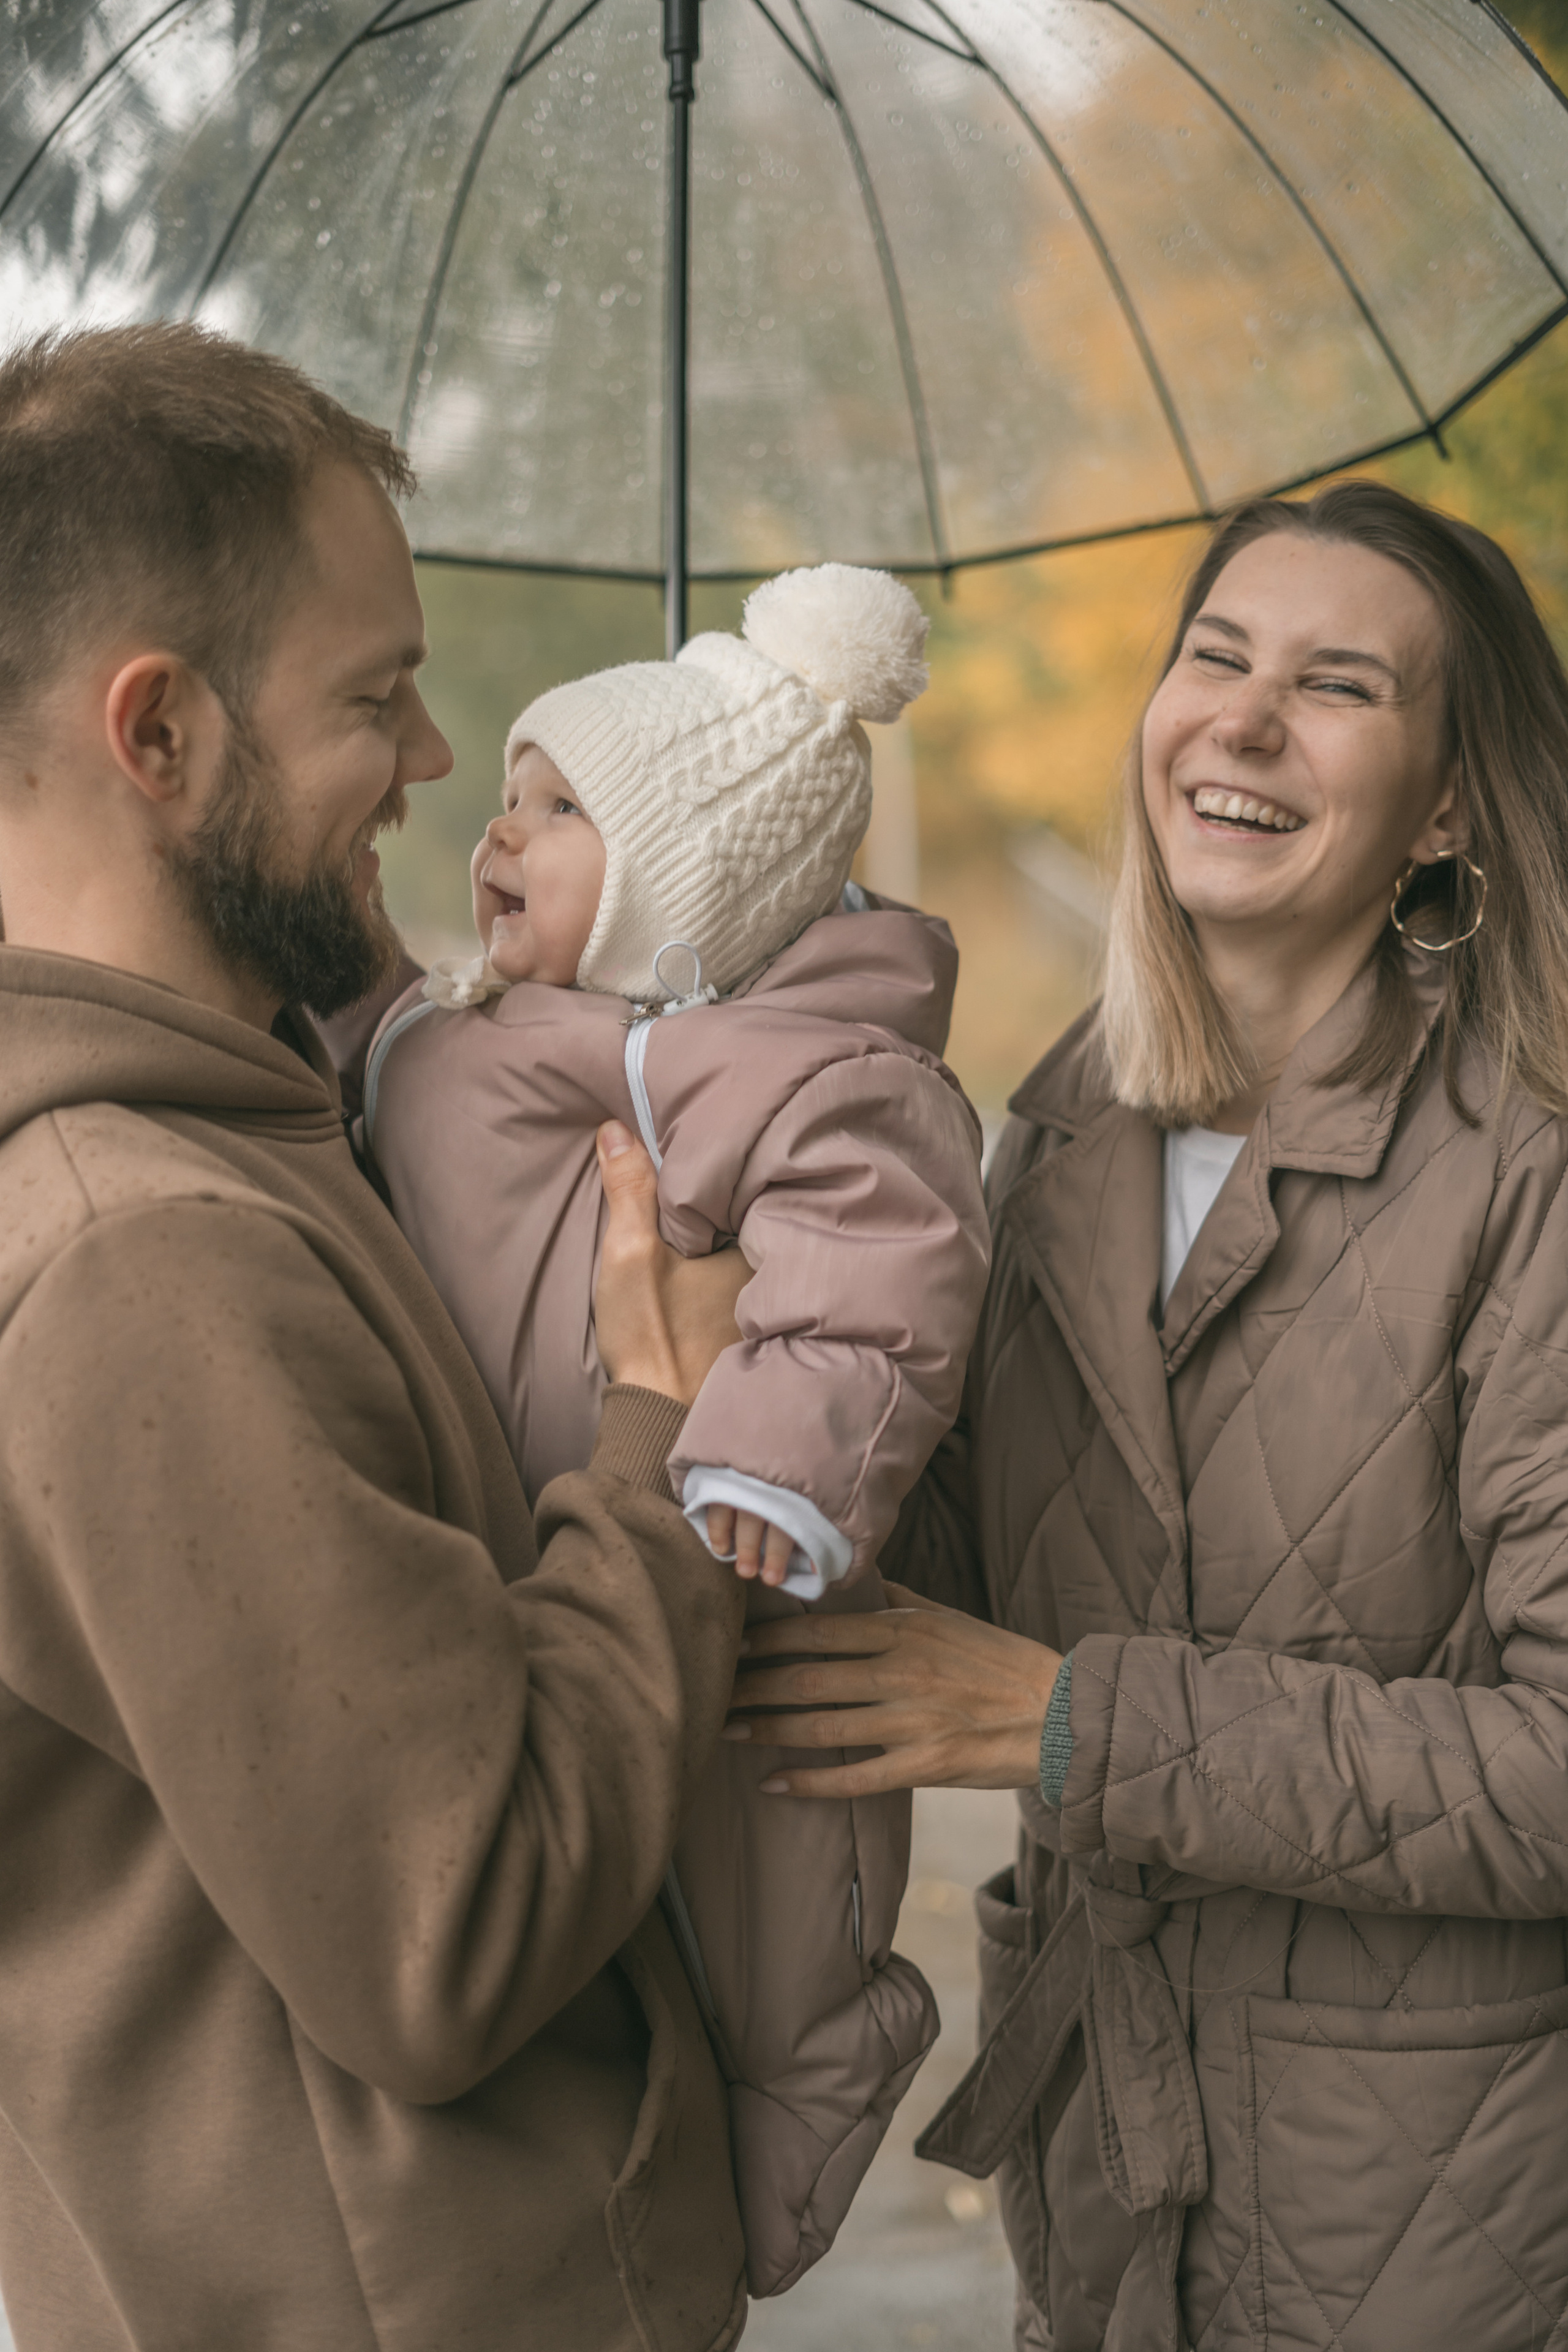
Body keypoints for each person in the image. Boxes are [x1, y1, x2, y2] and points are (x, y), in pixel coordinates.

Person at [731, 481, 1568, 2350]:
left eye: (1338, 684)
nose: (1247, 720)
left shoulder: (1533, 1169)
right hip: (1112, 2206)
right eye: (1217, 656)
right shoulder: (1057, 1134)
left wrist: (1075, 1722)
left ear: (1445, 806)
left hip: (1440, 2228)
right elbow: (937, 1578)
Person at [0, 322, 755, 2352]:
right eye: (375, 696)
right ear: (156, 735)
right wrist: (659, 1438)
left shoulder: (234, 1119)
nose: (433, 764)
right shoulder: (142, 1261)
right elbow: (456, 1925)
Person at [352, 563, 989, 2289]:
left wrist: (771, 1469)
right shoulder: (443, 1029)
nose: (499, 835)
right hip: (526, 1554)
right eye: (508, 800)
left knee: (763, 1877)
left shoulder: (758, 1066)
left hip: (717, 1547)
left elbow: (881, 1265)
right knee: (582, 1875)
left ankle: (798, 2116)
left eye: (559, 815)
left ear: (680, 896)